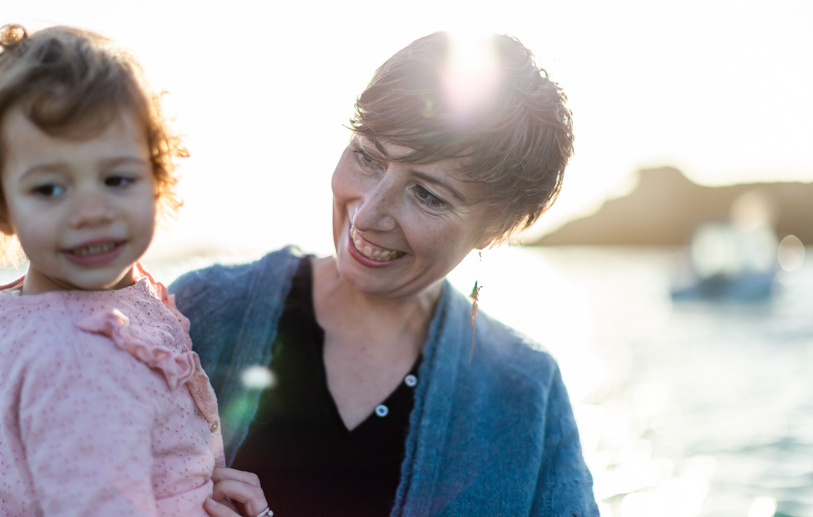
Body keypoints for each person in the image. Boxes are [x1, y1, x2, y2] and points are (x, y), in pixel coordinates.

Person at [170, 31, 599, 515]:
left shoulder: (524, 393)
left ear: (495, 227)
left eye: (427, 194)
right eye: (368, 157)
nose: (369, 213)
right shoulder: (196, 312)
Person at [0, 24, 271, 517]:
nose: (91, 211)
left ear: (155, 180)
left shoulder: (31, 312)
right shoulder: (80, 362)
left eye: (117, 178)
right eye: (51, 188)